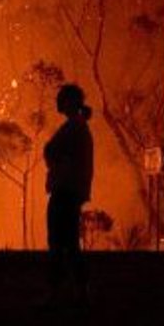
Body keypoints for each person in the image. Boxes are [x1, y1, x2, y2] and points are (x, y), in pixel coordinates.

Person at [42, 83, 94, 307]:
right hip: (71, 190)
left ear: (70, 102)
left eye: (61, 99)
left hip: (65, 190)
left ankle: (59, 292)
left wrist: (54, 161)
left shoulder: (74, 127)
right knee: (69, 243)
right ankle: (78, 291)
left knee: (59, 242)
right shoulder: (78, 126)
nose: (57, 102)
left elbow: (51, 150)